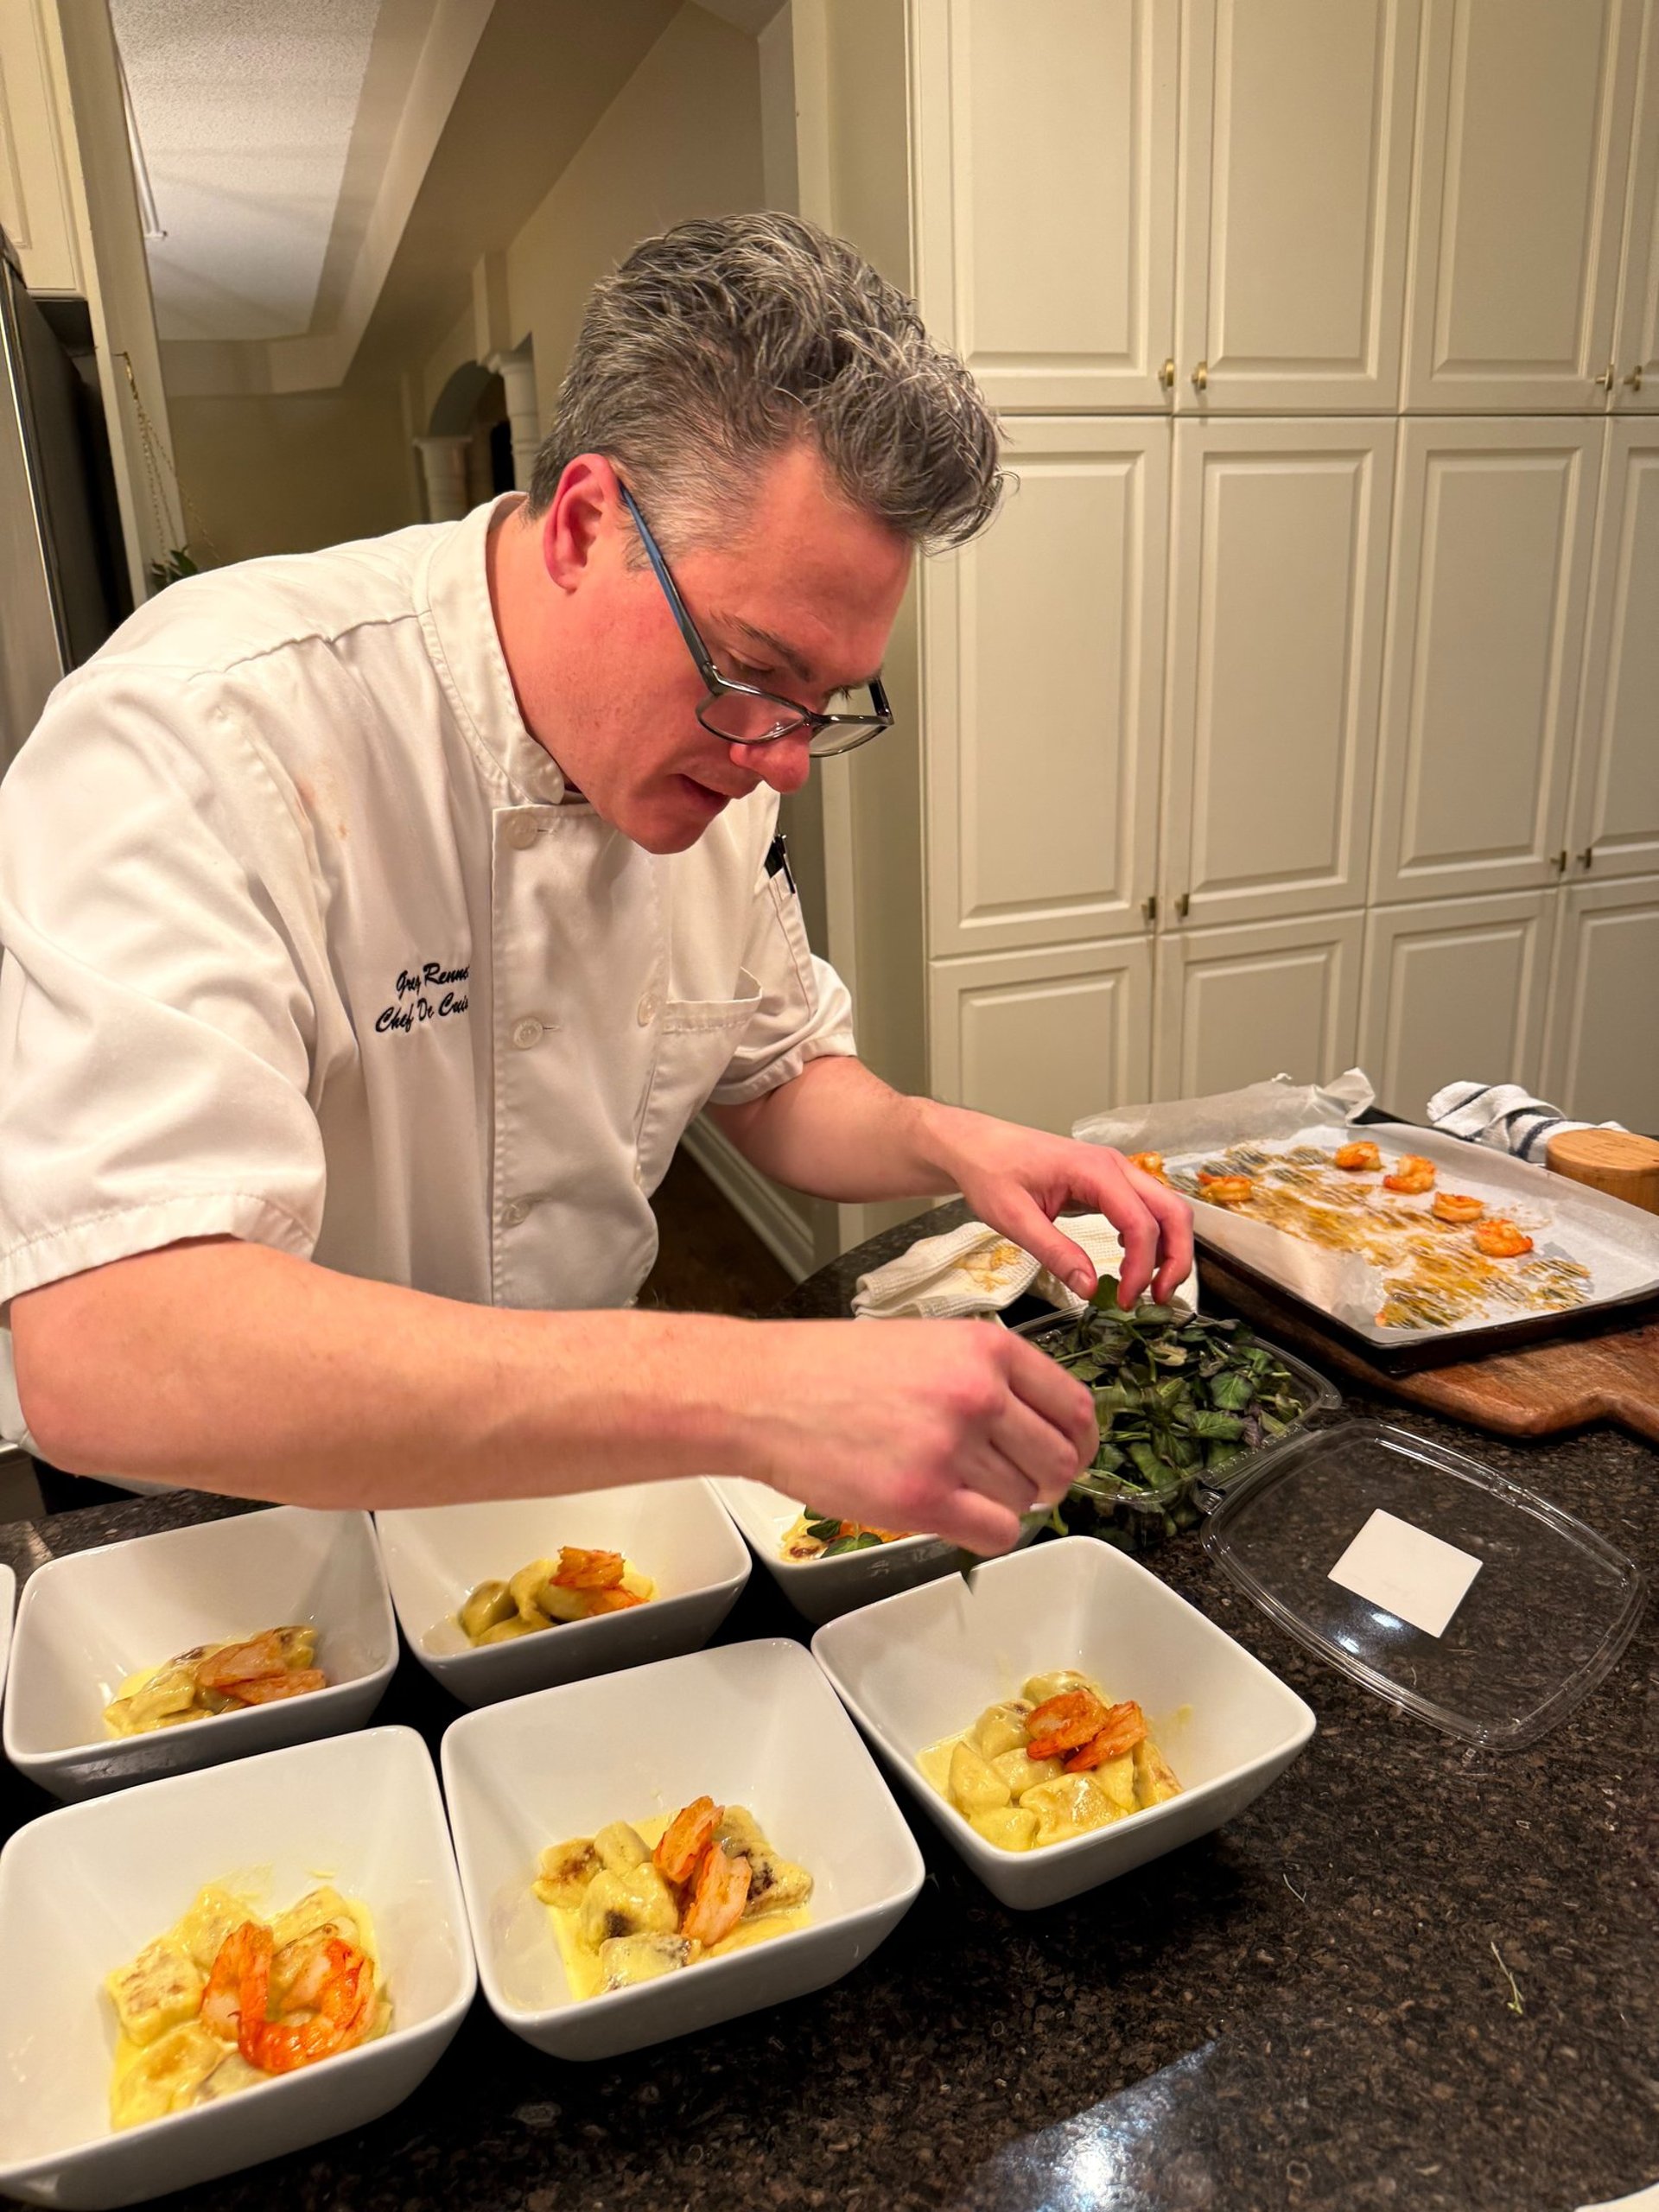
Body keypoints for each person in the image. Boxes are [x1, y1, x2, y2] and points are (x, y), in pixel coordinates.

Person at [0, 213, 1190, 1556]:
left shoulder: (718, 761)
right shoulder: (204, 724)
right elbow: (109, 1345)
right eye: (754, 671)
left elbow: (773, 1073)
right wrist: (754, 1390)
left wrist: (943, 1143)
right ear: (583, 524)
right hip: (244, 1529)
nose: (786, 761)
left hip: (574, 1487)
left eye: (826, 701)